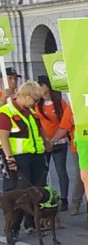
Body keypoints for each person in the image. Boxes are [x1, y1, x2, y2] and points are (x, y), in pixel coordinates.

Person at [0, 80, 50, 236]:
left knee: (36, 191)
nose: (36, 103)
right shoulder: (6, 112)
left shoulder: (32, 112)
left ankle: (32, 224)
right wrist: (9, 158)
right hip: (18, 158)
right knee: (19, 194)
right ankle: (13, 228)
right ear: (25, 95)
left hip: (35, 156)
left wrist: (47, 142)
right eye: (34, 99)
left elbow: (39, 131)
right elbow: (3, 138)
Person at [36, 75, 74, 211]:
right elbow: (38, 124)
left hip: (60, 142)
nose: (39, 88)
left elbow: (65, 123)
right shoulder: (36, 104)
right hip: (44, 143)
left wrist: (54, 140)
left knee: (61, 171)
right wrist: (46, 140)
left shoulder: (59, 102)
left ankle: (64, 199)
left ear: (47, 86)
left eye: (41, 85)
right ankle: (44, 198)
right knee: (43, 173)